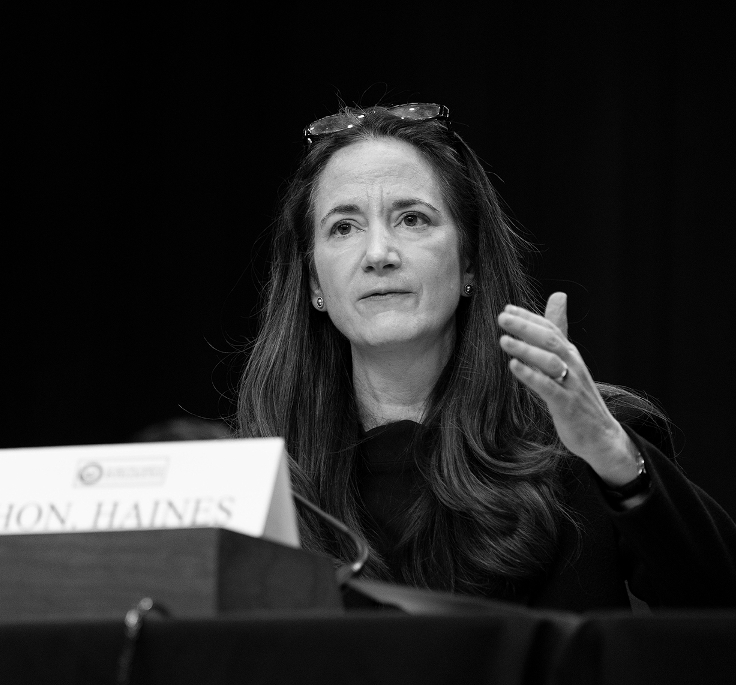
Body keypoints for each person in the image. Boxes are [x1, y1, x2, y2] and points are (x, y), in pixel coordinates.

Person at [237, 104, 736, 610]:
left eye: (412, 219)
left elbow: (718, 605)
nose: (379, 253)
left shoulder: (576, 441)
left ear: (469, 259)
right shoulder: (261, 480)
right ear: (315, 282)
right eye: (344, 227)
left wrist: (611, 452)